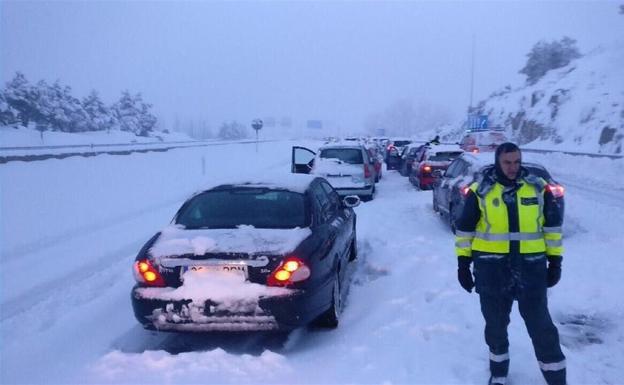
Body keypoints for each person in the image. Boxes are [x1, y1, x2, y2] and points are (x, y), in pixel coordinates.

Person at [454, 142, 566, 385]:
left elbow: (553, 229)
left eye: (517, 161)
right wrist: (463, 265)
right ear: (498, 162)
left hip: (531, 268)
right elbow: (464, 231)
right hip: (491, 269)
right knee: (495, 326)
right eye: (507, 162)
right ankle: (499, 374)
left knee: (542, 328)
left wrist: (555, 262)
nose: (513, 167)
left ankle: (557, 379)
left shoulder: (538, 189)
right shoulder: (480, 191)